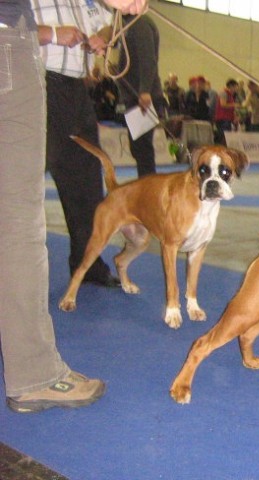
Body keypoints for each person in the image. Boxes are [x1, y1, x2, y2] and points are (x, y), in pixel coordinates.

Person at [0, 0, 146, 415]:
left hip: (51, 72)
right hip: (14, 53)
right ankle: (34, 375)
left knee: (80, 180)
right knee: (18, 221)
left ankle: (91, 263)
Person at [33, 0, 120, 288]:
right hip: (35, 84)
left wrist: (101, 39)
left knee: (87, 182)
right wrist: (53, 34)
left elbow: (107, 23)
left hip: (76, 91)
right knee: (21, 185)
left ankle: (88, 263)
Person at [117, 13, 165, 178]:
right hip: (135, 95)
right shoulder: (130, 25)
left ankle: (148, 188)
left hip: (142, 97)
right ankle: (146, 185)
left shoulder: (140, 24)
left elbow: (148, 59)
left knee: (142, 149)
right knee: (139, 148)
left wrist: (145, 90)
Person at [214, 78, 240, 145]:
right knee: (224, 137)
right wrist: (235, 105)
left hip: (227, 118)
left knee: (226, 137)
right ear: (231, 86)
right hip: (223, 119)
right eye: (236, 87)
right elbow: (223, 104)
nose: (237, 89)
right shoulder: (224, 93)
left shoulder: (230, 95)